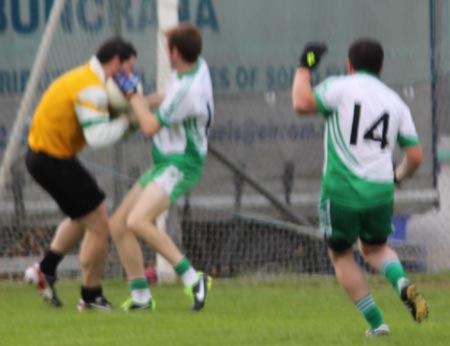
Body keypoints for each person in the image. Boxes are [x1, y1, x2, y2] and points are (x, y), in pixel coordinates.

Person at [291, 38, 429, 336]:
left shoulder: (340, 87)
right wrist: (398, 177)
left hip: (342, 190)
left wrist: (305, 65)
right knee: (375, 248)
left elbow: (301, 103)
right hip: (380, 190)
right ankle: (402, 282)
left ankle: (378, 324)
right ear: (381, 67)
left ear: (349, 65)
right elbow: (416, 156)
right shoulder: (395, 101)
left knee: (341, 255)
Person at [24, 36, 138, 311]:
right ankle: (90, 295)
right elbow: (98, 136)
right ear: (114, 62)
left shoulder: (87, 78)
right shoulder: (91, 88)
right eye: (127, 69)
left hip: (45, 157)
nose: (129, 76)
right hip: (51, 159)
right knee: (99, 219)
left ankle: (45, 269)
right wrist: (128, 121)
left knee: (83, 214)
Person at [109, 22, 213, 311]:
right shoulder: (194, 69)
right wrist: (136, 101)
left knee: (137, 221)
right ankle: (141, 297)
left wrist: (131, 95)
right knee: (118, 224)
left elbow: (150, 126)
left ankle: (194, 279)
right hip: (165, 161)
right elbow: (163, 101)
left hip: (182, 163)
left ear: (175, 53)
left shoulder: (189, 90)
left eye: (168, 48)